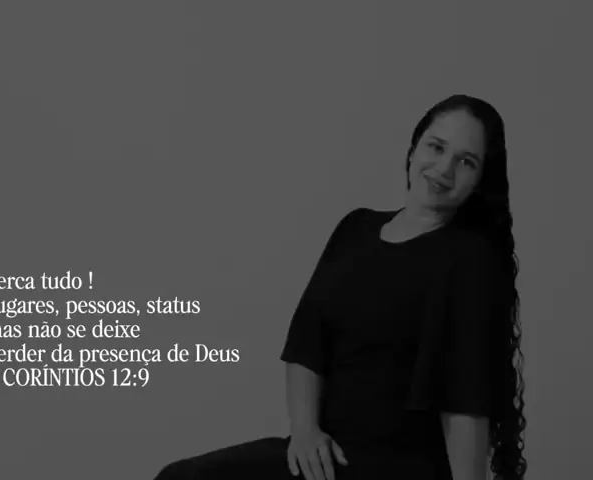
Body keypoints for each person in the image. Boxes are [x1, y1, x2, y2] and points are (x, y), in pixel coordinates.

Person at [153, 94, 527, 480]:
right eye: (436, 147)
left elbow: (464, 394)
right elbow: (306, 344)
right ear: (414, 147)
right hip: (325, 454)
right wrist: (305, 432)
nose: (444, 169)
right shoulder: (355, 229)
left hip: (397, 466)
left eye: (466, 162)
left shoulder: (469, 259)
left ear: (479, 181)